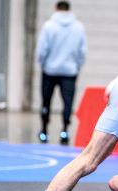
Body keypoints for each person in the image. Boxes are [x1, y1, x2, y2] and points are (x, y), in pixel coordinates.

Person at [36, 1, 87, 145]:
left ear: (57, 9)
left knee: (46, 101)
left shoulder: (48, 26)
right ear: (69, 9)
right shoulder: (78, 27)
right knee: (68, 103)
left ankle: (44, 130)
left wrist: (43, 64)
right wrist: (77, 66)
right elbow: (82, 51)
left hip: (49, 71)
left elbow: (42, 49)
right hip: (69, 72)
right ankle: (65, 131)